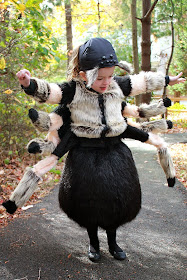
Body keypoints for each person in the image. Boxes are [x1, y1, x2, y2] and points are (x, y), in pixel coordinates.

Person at [2, 38, 185, 262]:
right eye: (100, 78)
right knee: (87, 203)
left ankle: (113, 241)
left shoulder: (117, 85)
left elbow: (143, 82)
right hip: (84, 155)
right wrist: (28, 83)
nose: (106, 82)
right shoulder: (72, 90)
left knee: (118, 200)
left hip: (115, 152)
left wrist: (168, 79)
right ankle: (93, 243)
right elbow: (50, 92)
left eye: (110, 76)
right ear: (83, 74)